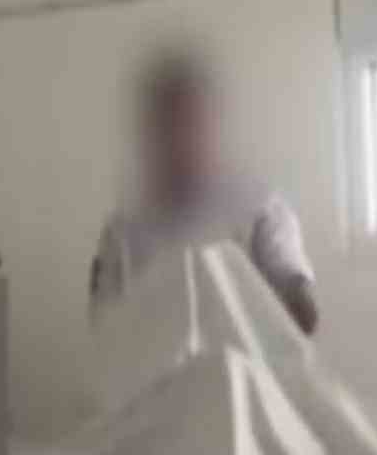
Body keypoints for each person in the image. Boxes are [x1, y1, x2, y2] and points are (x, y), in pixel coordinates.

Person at [90, 53, 319, 335]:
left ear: (213, 125)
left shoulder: (262, 208)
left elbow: (298, 299)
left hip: (248, 361)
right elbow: (105, 326)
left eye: (192, 122)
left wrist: (295, 297)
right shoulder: (123, 229)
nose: (182, 138)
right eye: (169, 125)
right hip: (155, 363)